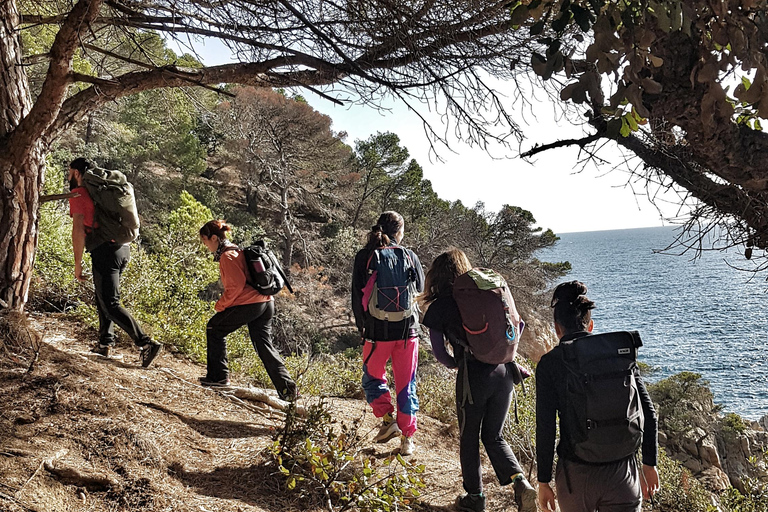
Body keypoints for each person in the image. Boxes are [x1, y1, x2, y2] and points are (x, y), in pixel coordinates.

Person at [420, 248, 537, 512]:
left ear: (437, 276)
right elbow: (517, 326)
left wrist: (456, 363)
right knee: (494, 436)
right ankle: (521, 484)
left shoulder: (441, 306)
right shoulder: (487, 295)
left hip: (474, 377)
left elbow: (439, 352)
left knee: (469, 437)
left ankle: (475, 497)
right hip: (506, 372)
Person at [536, 280, 660, 512]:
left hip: (576, 475)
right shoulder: (618, 355)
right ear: (590, 325)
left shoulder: (550, 364)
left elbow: (546, 427)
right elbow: (649, 413)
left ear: (556, 328)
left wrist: (543, 481)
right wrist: (649, 464)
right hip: (623, 471)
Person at [67, 158, 162, 367]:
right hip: (122, 248)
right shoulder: (104, 191)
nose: (68, 176)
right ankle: (104, 342)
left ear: (76, 172)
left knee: (110, 303)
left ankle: (146, 343)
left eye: (69, 172)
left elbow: (78, 231)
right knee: (104, 298)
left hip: (104, 250)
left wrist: (77, 263)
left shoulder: (81, 194)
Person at [351, 211, 424, 456]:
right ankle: (407, 440)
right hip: (408, 332)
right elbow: (420, 289)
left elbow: (356, 296)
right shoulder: (410, 256)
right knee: (406, 384)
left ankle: (386, 419)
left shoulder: (365, 256)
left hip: (376, 333)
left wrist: (363, 328)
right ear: (399, 232)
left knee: (372, 378)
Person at [198, 220, 297, 399]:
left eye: (205, 240)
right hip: (267, 302)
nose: (205, 245)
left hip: (251, 305)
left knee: (214, 328)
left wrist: (220, 305)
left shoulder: (227, 256)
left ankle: (218, 378)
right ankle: (288, 391)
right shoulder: (237, 250)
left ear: (214, 238)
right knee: (264, 345)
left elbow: (235, 287)